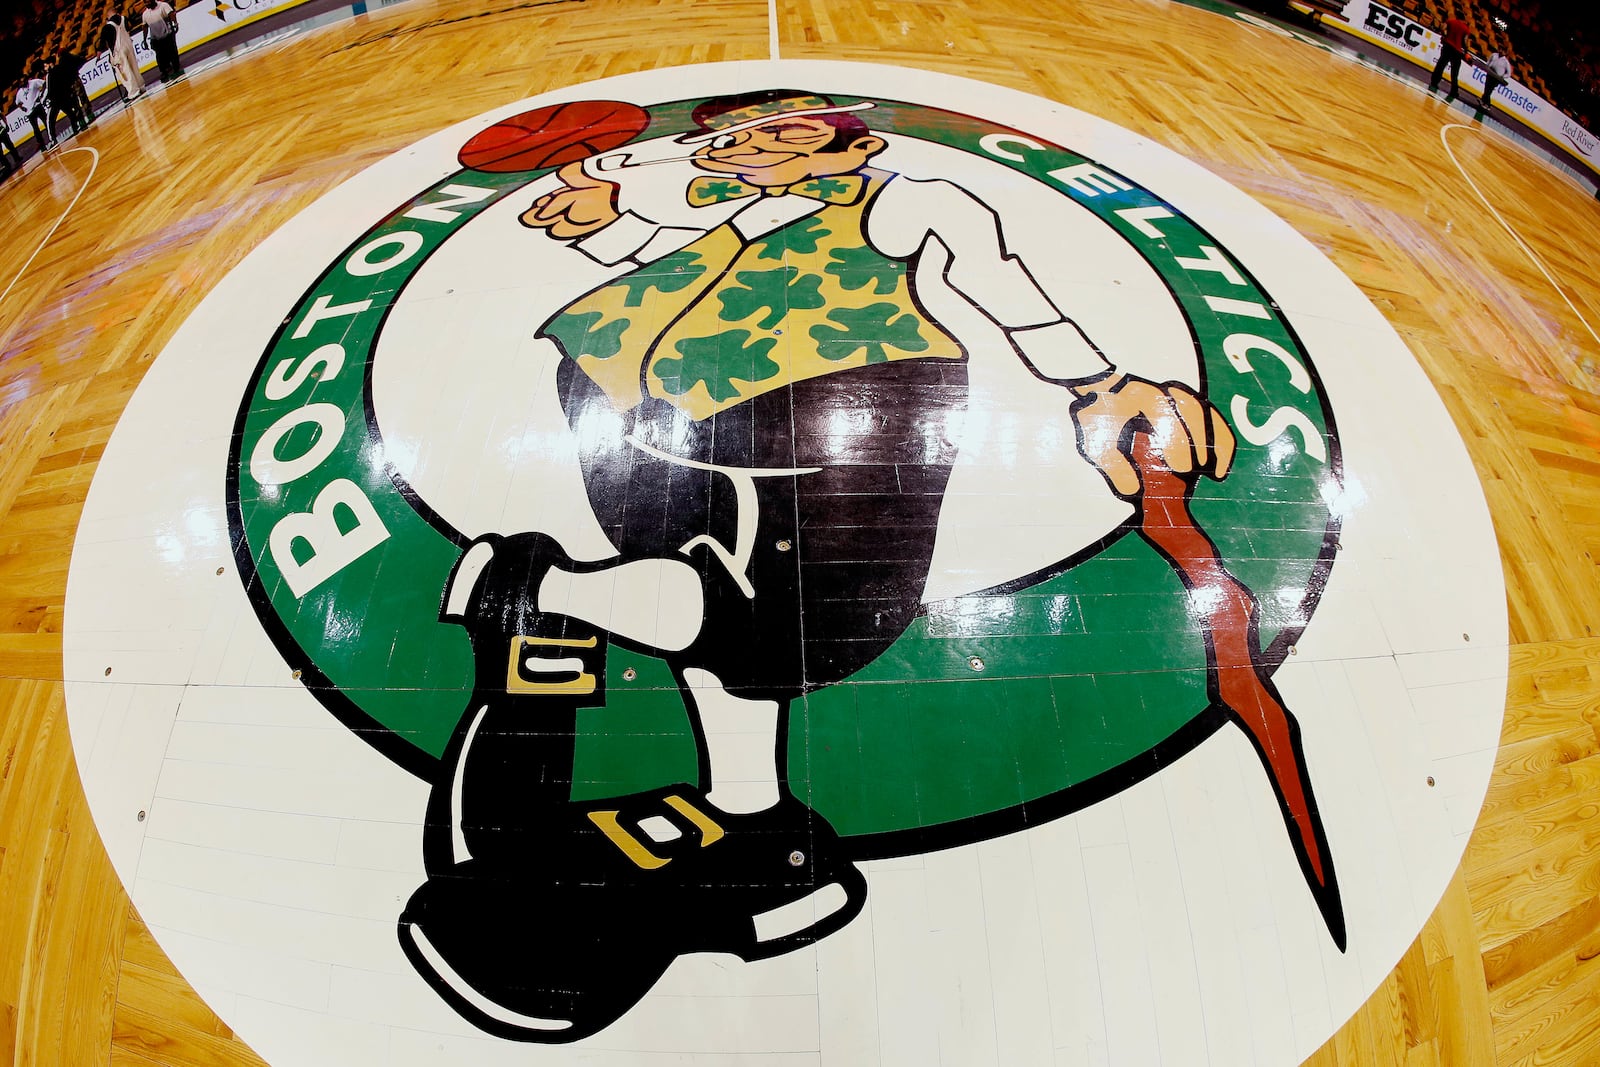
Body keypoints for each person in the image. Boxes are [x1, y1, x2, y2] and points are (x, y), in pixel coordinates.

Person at [396, 89, 1341, 1041]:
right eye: (739, 138)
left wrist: (1097, 381)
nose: (750, 147)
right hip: (745, 404)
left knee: (739, 610)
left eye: (781, 131)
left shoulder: (902, 197)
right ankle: (533, 588)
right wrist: (608, 220)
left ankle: (744, 805)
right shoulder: (748, 213)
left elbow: (993, 269)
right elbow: (680, 274)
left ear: (845, 141)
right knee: (786, 617)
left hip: (684, 400)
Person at [102, 7, 145, 103]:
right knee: (134, 67)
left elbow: (104, 42)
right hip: (128, 45)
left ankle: (133, 92)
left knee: (125, 72)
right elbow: (129, 27)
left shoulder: (108, 26)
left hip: (118, 50)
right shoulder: (123, 18)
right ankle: (141, 86)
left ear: (108, 16)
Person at [46, 52, 91, 138]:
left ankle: (82, 121)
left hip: (70, 84)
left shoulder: (61, 64)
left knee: (76, 103)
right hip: (74, 81)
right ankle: (89, 115)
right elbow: (80, 60)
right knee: (82, 99)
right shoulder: (63, 63)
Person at [1429, 15, 1471, 100]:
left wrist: (1445, 36)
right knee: (1454, 73)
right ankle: (1453, 91)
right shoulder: (1466, 28)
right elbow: (1465, 41)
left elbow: (1442, 28)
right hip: (1457, 51)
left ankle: (1434, 82)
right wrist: (1466, 51)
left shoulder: (1451, 21)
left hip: (1447, 46)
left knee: (1440, 65)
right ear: (1465, 21)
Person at [141, 0, 182, 82]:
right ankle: (164, 71)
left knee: (172, 51)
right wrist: (144, 39)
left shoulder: (163, 6)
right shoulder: (145, 14)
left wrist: (175, 23)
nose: (146, 4)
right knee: (159, 56)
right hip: (155, 37)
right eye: (145, 3)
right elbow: (145, 27)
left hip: (167, 33)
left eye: (148, 2)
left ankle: (176, 67)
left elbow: (171, 14)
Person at [17, 73, 50, 151]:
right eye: (20, 82)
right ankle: (41, 144)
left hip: (37, 106)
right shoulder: (19, 92)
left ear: (25, 80)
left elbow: (44, 83)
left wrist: (41, 94)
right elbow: (17, 103)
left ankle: (52, 136)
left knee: (46, 121)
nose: (22, 83)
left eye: (22, 81)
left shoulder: (34, 82)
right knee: (35, 129)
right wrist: (22, 108)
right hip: (29, 112)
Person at [1478, 50, 1512, 119]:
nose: (1502, 51)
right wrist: (1487, 67)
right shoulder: (1494, 55)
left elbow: (1508, 74)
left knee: (1489, 89)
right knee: (1486, 87)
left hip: (1496, 77)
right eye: (1501, 49)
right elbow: (1488, 62)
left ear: (1506, 53)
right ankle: (1483, 101)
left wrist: (1502, 76)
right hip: (1490, 73)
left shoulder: (1506, 62)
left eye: (1503, 51)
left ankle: (1487, 104)